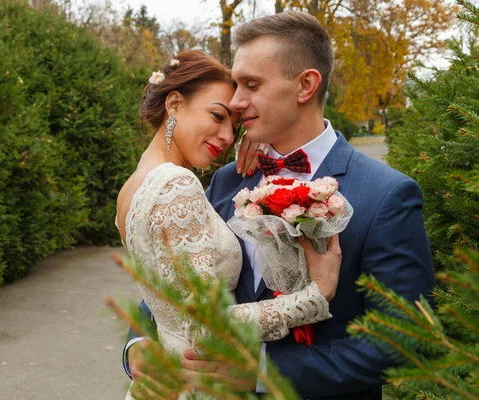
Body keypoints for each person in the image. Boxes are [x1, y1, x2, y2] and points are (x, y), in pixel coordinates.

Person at [125, 11, 435, 400]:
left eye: (250, 85)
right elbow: (176, 275)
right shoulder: (228, 180)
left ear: (306, 85)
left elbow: (408, 340)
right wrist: (137, 342)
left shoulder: (386, 195)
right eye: (236, 85)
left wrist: (263, 372)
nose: (236, 103)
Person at [116, 49, 343, 400]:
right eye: (217, 116)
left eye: (235, 128)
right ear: (174, 104)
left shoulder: (133, 187)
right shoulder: (177, 185)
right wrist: (313, 297)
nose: (226, 138)